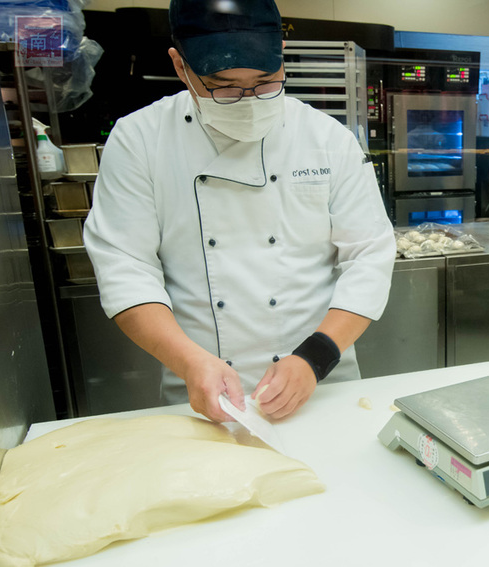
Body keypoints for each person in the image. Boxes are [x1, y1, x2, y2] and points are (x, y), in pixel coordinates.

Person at [83, 0, 396, 422]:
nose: (249, 100)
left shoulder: (326, 139)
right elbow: (125, 268)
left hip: (321, 386)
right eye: (224, 86)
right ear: (180, 66)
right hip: (198, 391)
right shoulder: (140, 139)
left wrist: (315, 357)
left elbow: (370, 255)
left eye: (266, 82)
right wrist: (191, 363)